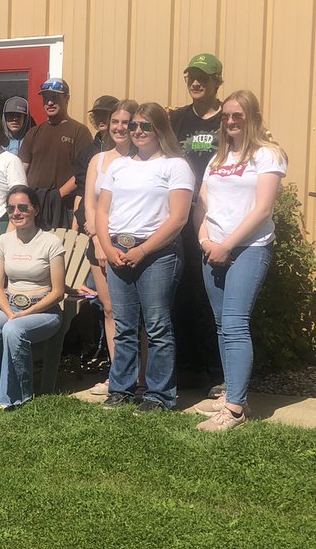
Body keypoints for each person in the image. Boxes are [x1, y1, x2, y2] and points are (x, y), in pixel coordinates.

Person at [194, 90, 287, 431]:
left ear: (252, 118)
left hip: (249, 248)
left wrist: (228, 245)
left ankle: (234, 410)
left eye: (238, 116)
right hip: (213, 249)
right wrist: (205, 241)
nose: (231, 122)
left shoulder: (267, 155)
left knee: (234, 322)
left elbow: (262, 209)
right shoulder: (217, 159)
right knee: (222, 324)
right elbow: (201, 207)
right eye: (226, 116)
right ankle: (234, 393)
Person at [96, 102, 194, 413]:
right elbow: (102, 210)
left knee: (156, 327)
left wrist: (143, 250)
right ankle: (121, 390)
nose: (137, 131)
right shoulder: (119, 166)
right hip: (117, 251)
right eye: (135, 125)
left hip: (158, 255)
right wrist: (108, 248)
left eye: (145, 126)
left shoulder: (175, 165)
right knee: (124, 326)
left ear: (159, 129)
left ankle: (158, 396)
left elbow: (178, 219)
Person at [0, 186, 66, 411]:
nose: (16, 212)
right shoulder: (2, 242)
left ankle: (15, 397)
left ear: (35, 209)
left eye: (23, 207)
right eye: (11, 208)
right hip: (11, 305)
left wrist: (23, 314)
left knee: (12, 330)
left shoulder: (51, 242)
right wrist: (9, 312)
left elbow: (58, 292)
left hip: (44, 310)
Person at [170, 53, 225, 390]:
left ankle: (216, 372)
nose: (195, 82)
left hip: (214, 217)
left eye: (203, 77)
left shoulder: (228, 119)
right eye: (191, 75)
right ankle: (183, 366)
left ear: (217, 81)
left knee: (212, 294)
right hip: (179, 214)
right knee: (180, 291)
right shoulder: (176, 119)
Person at [82, 100, 138, 395]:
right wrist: (98, 243)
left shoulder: (144, 159)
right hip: (99, 245)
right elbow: (90, 205)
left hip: (130, 244)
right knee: (110, 309)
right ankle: (118, 375)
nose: (119, 127)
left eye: (125, 122)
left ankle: (140, 376)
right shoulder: (99, 160)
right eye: (114, 121)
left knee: (135, 314)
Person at [18, 79, 93, 230]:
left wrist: (58, 195)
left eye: (55, 98)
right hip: (34, 207)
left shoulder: (80, 131)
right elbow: (21, 169)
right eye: (46, 99)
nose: (50, 103)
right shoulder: (33, 133)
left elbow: (84, 172)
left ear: (67, 98)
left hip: (65, 208)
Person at [72, 94, 120, 229]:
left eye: (105, 114)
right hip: (88, 223)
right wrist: (74, 230)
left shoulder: (128, 152)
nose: (101, 119)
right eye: (97, 115)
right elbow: (81, 193)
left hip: (115, 223)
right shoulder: (86, 153)